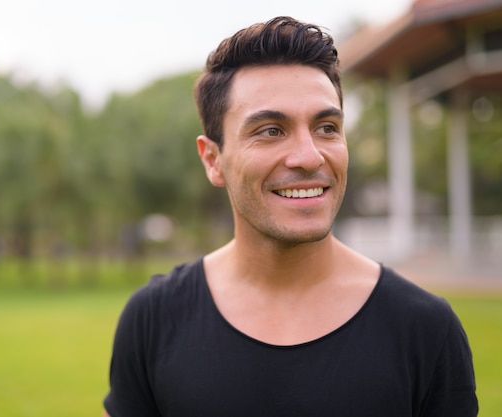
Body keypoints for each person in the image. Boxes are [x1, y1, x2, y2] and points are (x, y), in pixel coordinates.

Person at [103, 16, 478, 417]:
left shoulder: (425, 330)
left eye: (327, 127)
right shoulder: (153, 320)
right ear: (213, 160)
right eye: (270, 130)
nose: (309, 156)